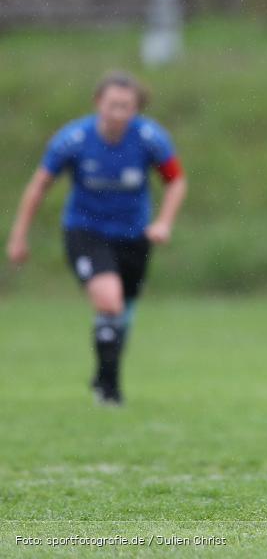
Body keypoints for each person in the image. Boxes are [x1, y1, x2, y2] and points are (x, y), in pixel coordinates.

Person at [6, 71, 187, 406]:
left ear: (136, 110)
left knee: (123, 313)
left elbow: (175, 181)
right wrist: (19, 237)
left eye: (126, 107)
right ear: (97, 104)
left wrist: (164, 222)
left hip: (134, 235)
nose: (118, 113)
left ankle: (103, 379)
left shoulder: (151, 139)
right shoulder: (72, 140)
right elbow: (39, 186)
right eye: (112, 105)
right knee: (109, 301)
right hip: (85, 231)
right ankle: (111, 391)